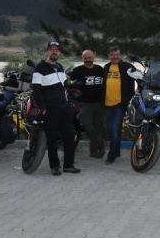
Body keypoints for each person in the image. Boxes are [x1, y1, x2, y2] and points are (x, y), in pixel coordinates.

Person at [31, 41, 80, 176]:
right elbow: (36, 89)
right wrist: (43, 107)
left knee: (69, 137)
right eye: (52, 49)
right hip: (50, 108)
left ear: (60, 53)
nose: (54, 52)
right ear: (47, 51)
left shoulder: (60, 67)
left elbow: (64, 86)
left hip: (65, 107)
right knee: (51, 138)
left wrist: (70, 101)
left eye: (57, 50)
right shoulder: (40, 68)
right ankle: (54, 166)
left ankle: (68, 165)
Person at [67, 50, 106, 158]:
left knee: (98, 128)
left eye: (90, 57)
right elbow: (67, 77)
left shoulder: (100, 69)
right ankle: (101, 142)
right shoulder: (78, 70)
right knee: (87, 125)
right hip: (85, 104)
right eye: (85, 58)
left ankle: (95, 151)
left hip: (99, 103)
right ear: (82, 58)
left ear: (94, 57)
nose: (88, 60)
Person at [102, 46, 137, 165]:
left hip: (120, 104)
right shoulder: (106, 67)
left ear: (121, 55)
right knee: (112, 130)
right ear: (109, 56)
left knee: (115, 130)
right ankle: (116, 151)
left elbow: (139, 78)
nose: (115, 57)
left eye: (117, 54)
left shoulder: (127, 67)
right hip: (107, 104)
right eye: (112, 55)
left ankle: (111, 155)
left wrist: (140, 90)